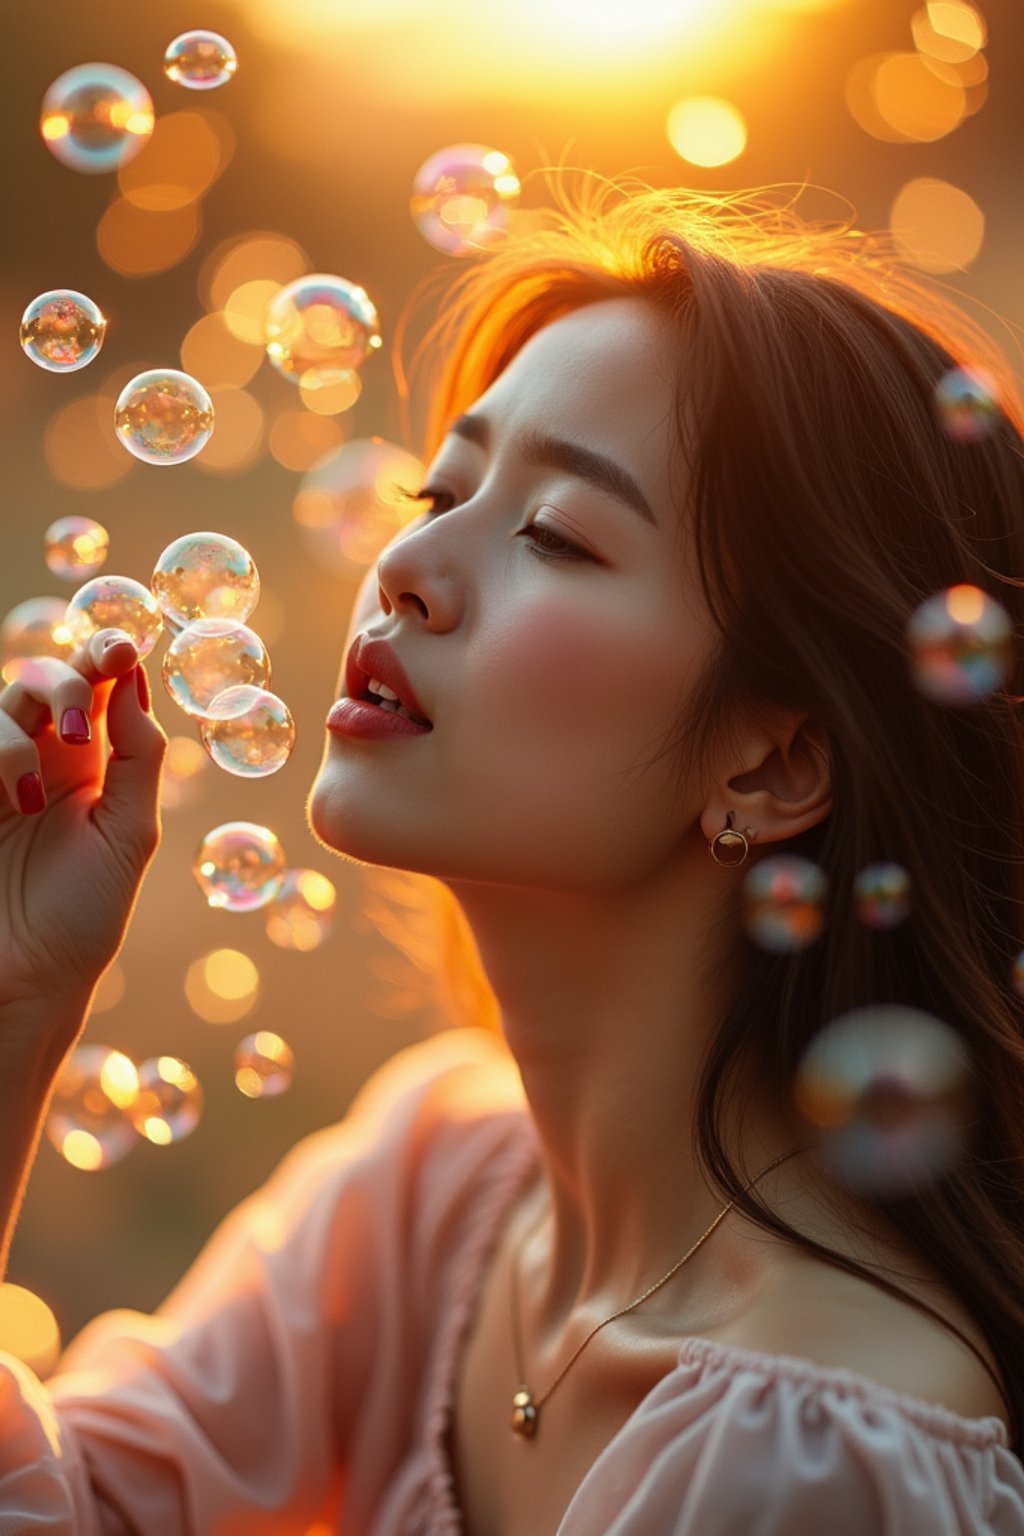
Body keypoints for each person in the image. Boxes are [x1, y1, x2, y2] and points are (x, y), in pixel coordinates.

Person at [1, 181, 1024, 1534]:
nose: (410, 561)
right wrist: (18, 1005)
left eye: (555, 533)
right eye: (445, 487)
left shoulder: (809, 1455)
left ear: (771, 766)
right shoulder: (438, 1192)